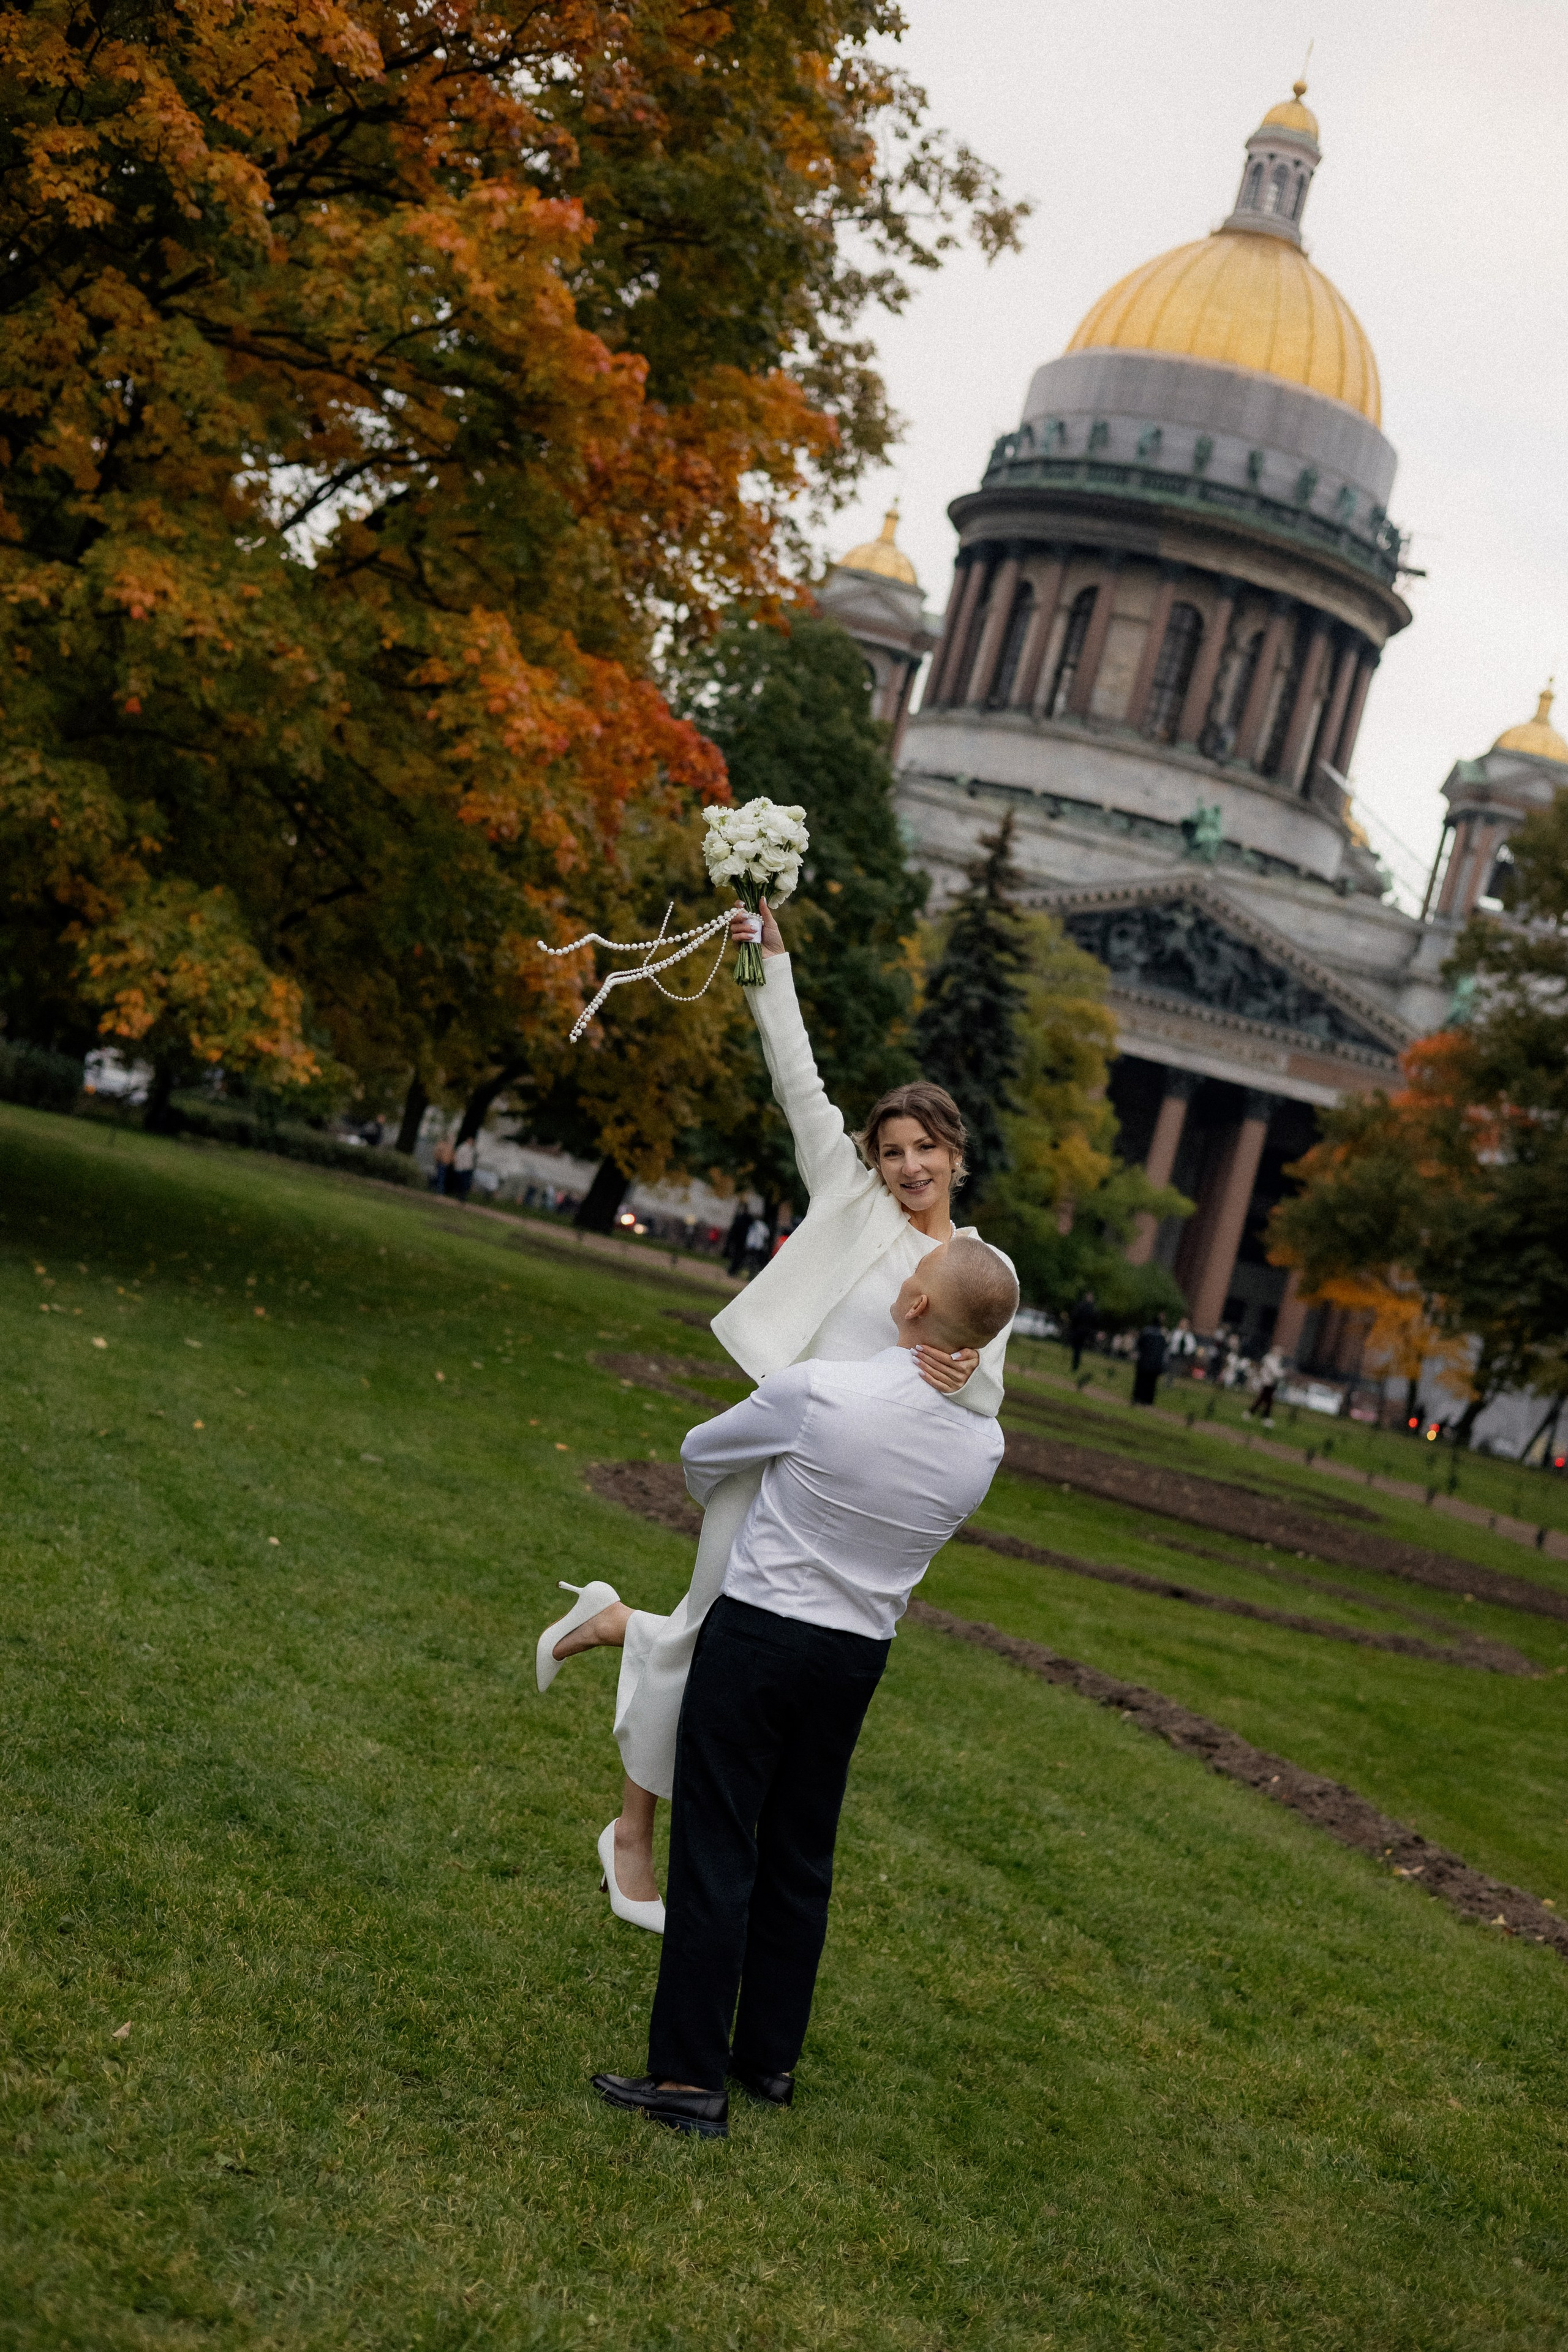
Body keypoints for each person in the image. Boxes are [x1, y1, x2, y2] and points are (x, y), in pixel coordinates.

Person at [535, 895, 1016, 1927]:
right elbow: (792, 1069)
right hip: (776, 1449)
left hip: (850, 1488)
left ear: (955, 1154)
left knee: (710, 1646)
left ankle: (616, 1629)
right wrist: (768, 962)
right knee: (713, 1642)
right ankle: (632, 1837)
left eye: (925, 1149)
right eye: (892, 1151)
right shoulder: (844, 1195)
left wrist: (965, 1365)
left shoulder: (982, 1271)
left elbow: (983, 1394)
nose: (908, 1167)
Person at [590, 1237, 1018, 2138]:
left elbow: (702, 1454)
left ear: (910, 1306)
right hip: (856, 1657)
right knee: (799, 1854)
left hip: (760, 1635)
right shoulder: (985, 1446)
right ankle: (768, 2061)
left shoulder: (820, 1390)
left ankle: (686, 2082)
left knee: (717, 1849)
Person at [1246, 1343, 1287, 1426]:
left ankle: (1252, 1413)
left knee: (1265, 1399)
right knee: (1267, 1400)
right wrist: (1283, 1373)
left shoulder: (1276, 1360)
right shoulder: (1270, 1359)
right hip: (1267, 1382)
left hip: (1270, 1382)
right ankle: (1263, 1417)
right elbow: (1275, 1372)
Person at [1131, 1311, 1167, 1406]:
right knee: (1151, 1383)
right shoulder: (1162, 1335)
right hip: (1155, 1364)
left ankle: (1137, 1398)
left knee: (1141, 1381)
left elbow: (1139, 1344)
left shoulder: (1146, 1332)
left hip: (1144, 1361)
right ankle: (1147, 1400)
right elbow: (1164, 1350)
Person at [1067, 1287, 1097, 1374]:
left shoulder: (1081, 1306)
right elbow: (1095, 1321)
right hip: (1085, 1332)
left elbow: (1074, 1317)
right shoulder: (1092, 1309)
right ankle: (1076, 1365)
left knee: (1077, 1349)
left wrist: (1073, 1327)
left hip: (1079, 1331)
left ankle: (1075, 1366)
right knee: (1078, 1349)